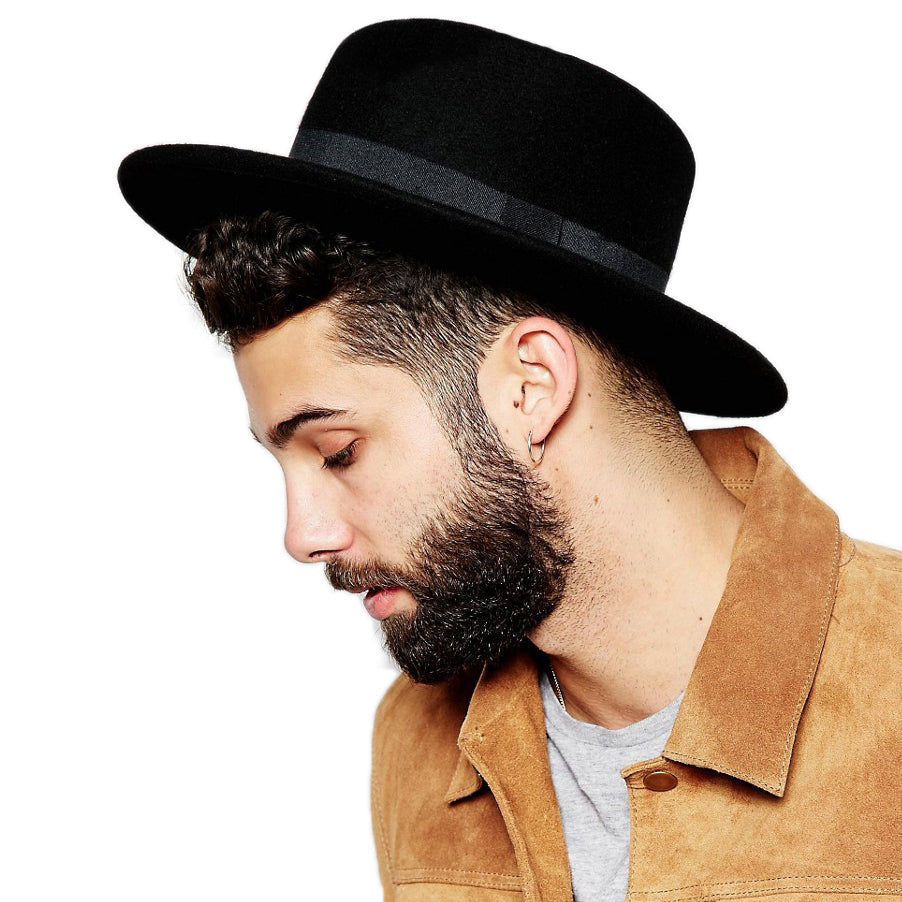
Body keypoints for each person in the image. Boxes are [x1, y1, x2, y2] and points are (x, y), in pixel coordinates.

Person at [117, 18, 901, 902]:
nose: (303, 536)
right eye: (284, 461)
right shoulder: (417, 740)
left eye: (339, 451)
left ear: (531, 385)